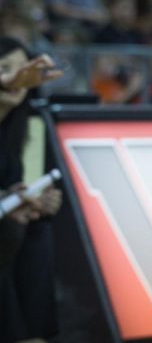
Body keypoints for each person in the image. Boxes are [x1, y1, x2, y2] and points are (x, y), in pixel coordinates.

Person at [0, 36, 64, 343]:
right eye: (4, 68)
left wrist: (36, 202)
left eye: (21, 70)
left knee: (36, 226)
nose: (17, 77)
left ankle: (34, 335)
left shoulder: (25, 125)